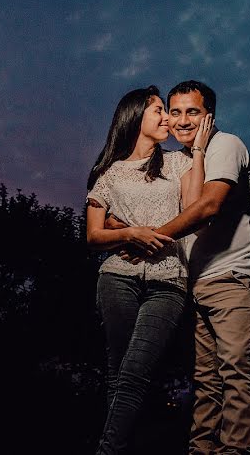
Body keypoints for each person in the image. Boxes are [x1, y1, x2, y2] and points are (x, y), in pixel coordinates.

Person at [86, 85, 214, 455]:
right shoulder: (109, 173)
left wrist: (200, 151)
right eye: (159, 110)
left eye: (167, 111)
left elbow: (192, 210)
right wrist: (130, 233)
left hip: (169, 281)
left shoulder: (177, 162)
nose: (167, 118)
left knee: (136, 373)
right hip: (117, 278)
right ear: (135, 116)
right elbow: (93, 236)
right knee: (117, 374)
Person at [151, 80, 250, 455]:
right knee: (205, 380)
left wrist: (152, 238)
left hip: (233, 277)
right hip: (199, 284)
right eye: (176, 111)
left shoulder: (226, 145)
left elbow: (206, 208)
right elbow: (184, 206)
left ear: (209, 116)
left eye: (193, 111)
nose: (183, 120)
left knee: (235, 372)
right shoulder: (188, 158)